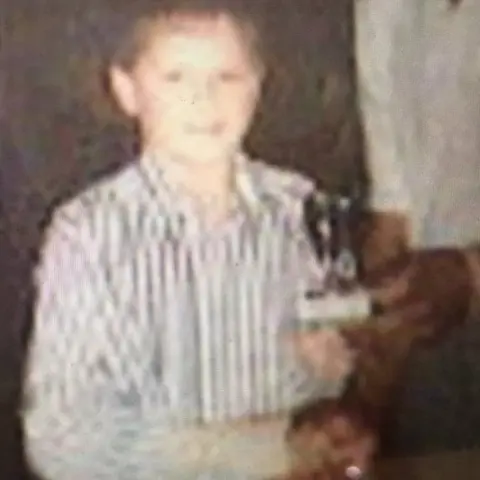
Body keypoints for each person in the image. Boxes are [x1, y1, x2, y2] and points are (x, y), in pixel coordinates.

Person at [21, 2, 361, 479]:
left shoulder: (298, 209)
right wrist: (269, 449)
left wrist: (332, 376)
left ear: (258, 85)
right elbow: (62, 440)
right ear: (127, 90)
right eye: (176, 77)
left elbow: (323, 379)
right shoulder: (89, 235)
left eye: (227, 76)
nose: (205, 99)